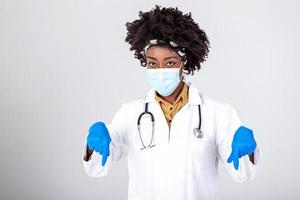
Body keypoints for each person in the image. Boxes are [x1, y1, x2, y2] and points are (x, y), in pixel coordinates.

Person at [82, 5, 262, 200]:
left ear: (184, 63)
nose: (160, 70)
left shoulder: (217, 113)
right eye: (152, 63)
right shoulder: (130, 113)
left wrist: (248, 151)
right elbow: (96, 169)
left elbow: (243, 174)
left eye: (169, 63)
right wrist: (93, 145)